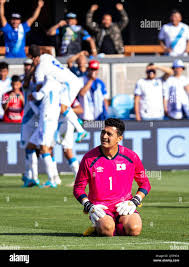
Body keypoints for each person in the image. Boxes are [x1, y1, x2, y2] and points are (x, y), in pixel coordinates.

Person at [73, 118, 151, 237]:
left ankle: (109, 226)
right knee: (107, 229)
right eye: (103, 132)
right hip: (100, 207)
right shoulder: (89, 158)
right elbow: (78, 188)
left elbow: (145, 184)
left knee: (134, 229)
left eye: (109, 134)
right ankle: (103, 227)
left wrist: (134, 201)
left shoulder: (131, 157)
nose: (104, 136)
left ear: (119, 138)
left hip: (123, 206)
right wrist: (89, 206)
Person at [28, 44, 87, 143]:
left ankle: (81, 131)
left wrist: (34, 94)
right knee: (58, 108)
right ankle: (76, 122)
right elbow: (50, 50)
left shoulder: (39, 69)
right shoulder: (47, 56)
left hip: (68, 84)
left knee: (62, 108)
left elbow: (39, 88)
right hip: (69, 82)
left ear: (32, 57)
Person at [20, 59, 40, 187]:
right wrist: (32, 70)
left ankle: (34, 176)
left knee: (40, 149)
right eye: (26, 65)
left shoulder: (40, 79)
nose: (28, 67)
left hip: (39, 119)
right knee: (28, 149)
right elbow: (26, 84)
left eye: (30, 65)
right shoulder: (24, 79)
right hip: (27, 120)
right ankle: (30, 176)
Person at [56, 98, 83, 187]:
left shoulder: (68, 97)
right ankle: (54, 178)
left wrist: (68, 110)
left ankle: (79, 179)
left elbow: (80, 109)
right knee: (65, 152)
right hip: (58, 124)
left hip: (67, 123)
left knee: (67, 150)